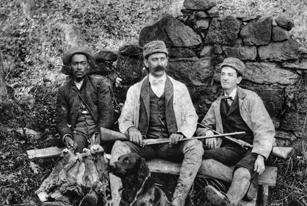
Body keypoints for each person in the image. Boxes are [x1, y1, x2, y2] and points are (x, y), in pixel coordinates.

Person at [109, 40, 204, 206]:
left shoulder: (180, 88)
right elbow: (124, 118)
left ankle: (178, 200)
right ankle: (118, 202)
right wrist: (131, 129)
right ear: (146, 62)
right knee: (118, 147)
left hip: (170, 145)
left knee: (195, 146)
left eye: (162, 59)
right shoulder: (135, 90)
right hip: (143, 145)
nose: (159, 64)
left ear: (167, 61)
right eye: (154, 59)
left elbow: (191, 117)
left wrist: (181, 133)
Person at [196, 57, 275, 206]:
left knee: (242, 171)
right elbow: (202, 126)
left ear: (238, 79)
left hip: (253, 148)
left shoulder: (251, 98)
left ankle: (228, 202)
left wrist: (261, 156)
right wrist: (207, 132)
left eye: (230, 75)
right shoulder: (217, 104)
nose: (225, 78)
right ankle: (246, 186)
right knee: (200, 159)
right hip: (231, 148)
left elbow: (264, 129)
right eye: (223, 74)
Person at [50, 46, 114, 206]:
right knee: (73, 157)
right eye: (75, 64)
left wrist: (99, 133)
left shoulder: (99, 84)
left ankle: (96, 193)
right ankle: (66, 196)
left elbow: (107, 113)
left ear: (88, 65)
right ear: (70, 66)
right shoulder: (64, 90)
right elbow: (61, 119)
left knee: (97, 155)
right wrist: (67, 136)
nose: (79, 67)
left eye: (82, 63)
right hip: (77, 131)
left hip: (98, 131)